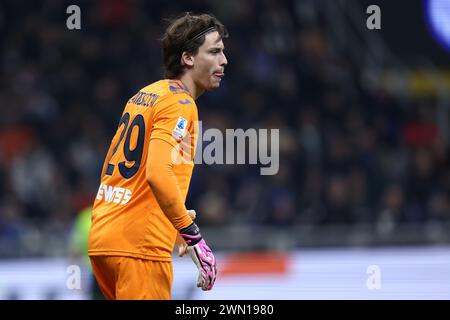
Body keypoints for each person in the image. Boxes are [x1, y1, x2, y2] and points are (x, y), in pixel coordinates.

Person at [87, 12, 228, 300]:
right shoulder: (181, 104)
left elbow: (130, 173)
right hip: (140, 247)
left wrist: (174, 227)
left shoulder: (145, 95)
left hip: (104, 238)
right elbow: (157, 173)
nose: (223, 61)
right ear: (188, 58)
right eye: (214, 52)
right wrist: (193, 236)